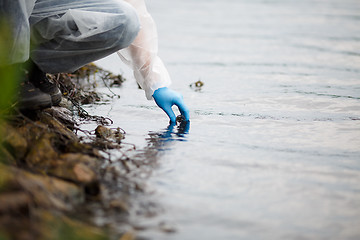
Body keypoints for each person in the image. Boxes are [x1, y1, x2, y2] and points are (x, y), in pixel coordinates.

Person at [0, 0, 189, 123]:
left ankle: (31, 65)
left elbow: (136, 9)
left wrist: (155, 83)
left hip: (34, 11)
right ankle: (11, 68)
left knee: (125, 20)